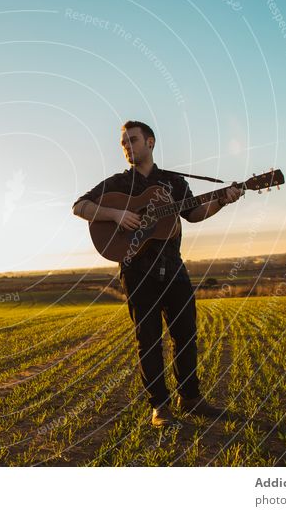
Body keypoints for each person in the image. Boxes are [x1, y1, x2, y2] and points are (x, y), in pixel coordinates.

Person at [72, 120, 243, 427]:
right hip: (136, 271)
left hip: (173, 267)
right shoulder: (116, 185)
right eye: (123, 142)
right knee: (148, 340)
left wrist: (221, 200)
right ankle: (160, 408)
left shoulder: (174, 183)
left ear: (150, 142)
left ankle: (190, 398)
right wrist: (116, 214)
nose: (127, 146)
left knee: (186, 335)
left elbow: (194, 214)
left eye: (132, 140)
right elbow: (79, 206)